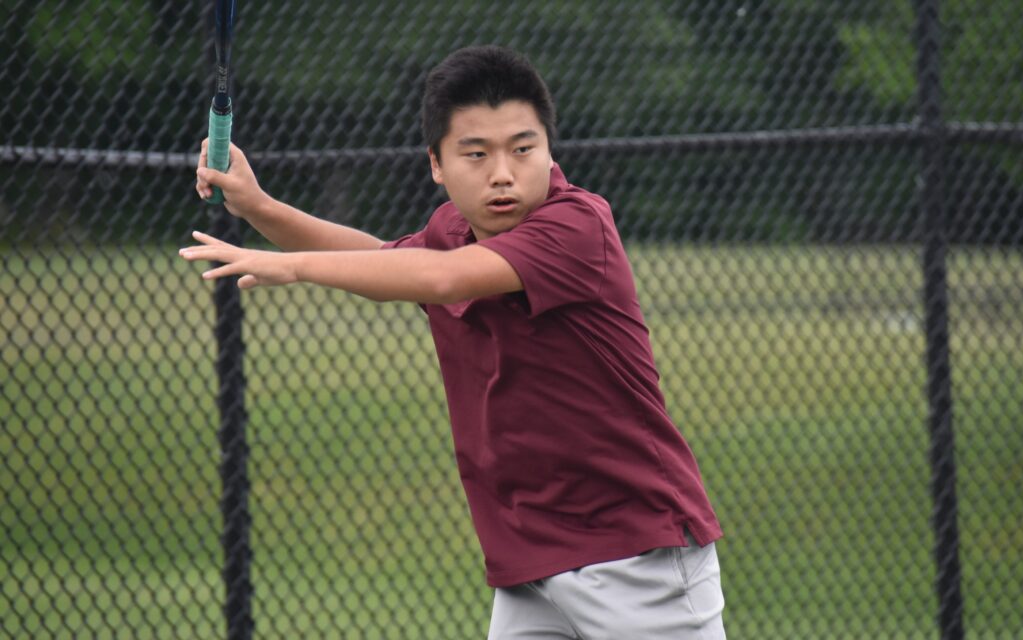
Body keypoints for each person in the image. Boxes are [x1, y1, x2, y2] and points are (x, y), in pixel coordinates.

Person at [181, 45, 725, 639]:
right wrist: (259, 206)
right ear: (436, 165)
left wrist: (295, 268)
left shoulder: (578, 226)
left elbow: (440, 278)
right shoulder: (453, 231)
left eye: (523, 149)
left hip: (637, 557)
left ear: (549, 150)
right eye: (476, 153)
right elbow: (381, 260)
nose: (502, 172)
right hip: (531, 563)